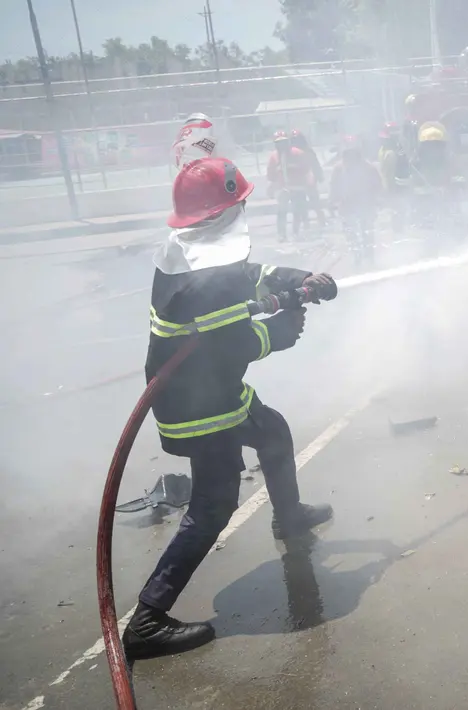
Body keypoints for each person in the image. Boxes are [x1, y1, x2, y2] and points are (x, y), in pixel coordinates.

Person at [126, 157, 337, 659]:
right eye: (238, 203)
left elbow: (250, 277)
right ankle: (148, 619)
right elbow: (231, 344)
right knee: (214, 504)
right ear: (222, 213)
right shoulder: (205, 277)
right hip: (200, 406)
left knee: (273, 432)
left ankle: (289, 517)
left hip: (210, 392)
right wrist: (280, 332)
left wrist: (302, 278)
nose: (243, 210)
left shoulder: (188, 251)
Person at [330, 135, 383, 260]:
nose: (351, 158)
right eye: (348, 154)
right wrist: (331, 202)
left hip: (365, 204)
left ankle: (369, 255)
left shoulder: (368, 167)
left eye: (353, 154)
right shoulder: (339, 169)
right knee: (350, 232)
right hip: (347, 205)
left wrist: (378, 200)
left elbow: (377, 185)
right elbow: (334, 186)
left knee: (367, 231)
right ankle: (357, 255)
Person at [266, 130, 316, 242]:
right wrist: (271, 188)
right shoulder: (274, 157)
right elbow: (271, 174)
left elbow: (307, 170)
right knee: (281, 212)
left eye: (283, 142)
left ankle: (295, 232)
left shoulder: (298, 154)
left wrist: (310, 185)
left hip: (298, 188)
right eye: (278, 143)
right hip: (282, 189)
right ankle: (282, 234)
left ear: (288, 142)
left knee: (297, 211)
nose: (281, 145)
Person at [290, 128, 329, 225]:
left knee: (315, 202)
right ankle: (306, 222)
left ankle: (321, 219)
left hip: (309, 181)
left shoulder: (308, 151)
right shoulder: (291, 153)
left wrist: (319, 176)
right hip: (298, 183)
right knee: (301, 204)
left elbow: (315, 164)